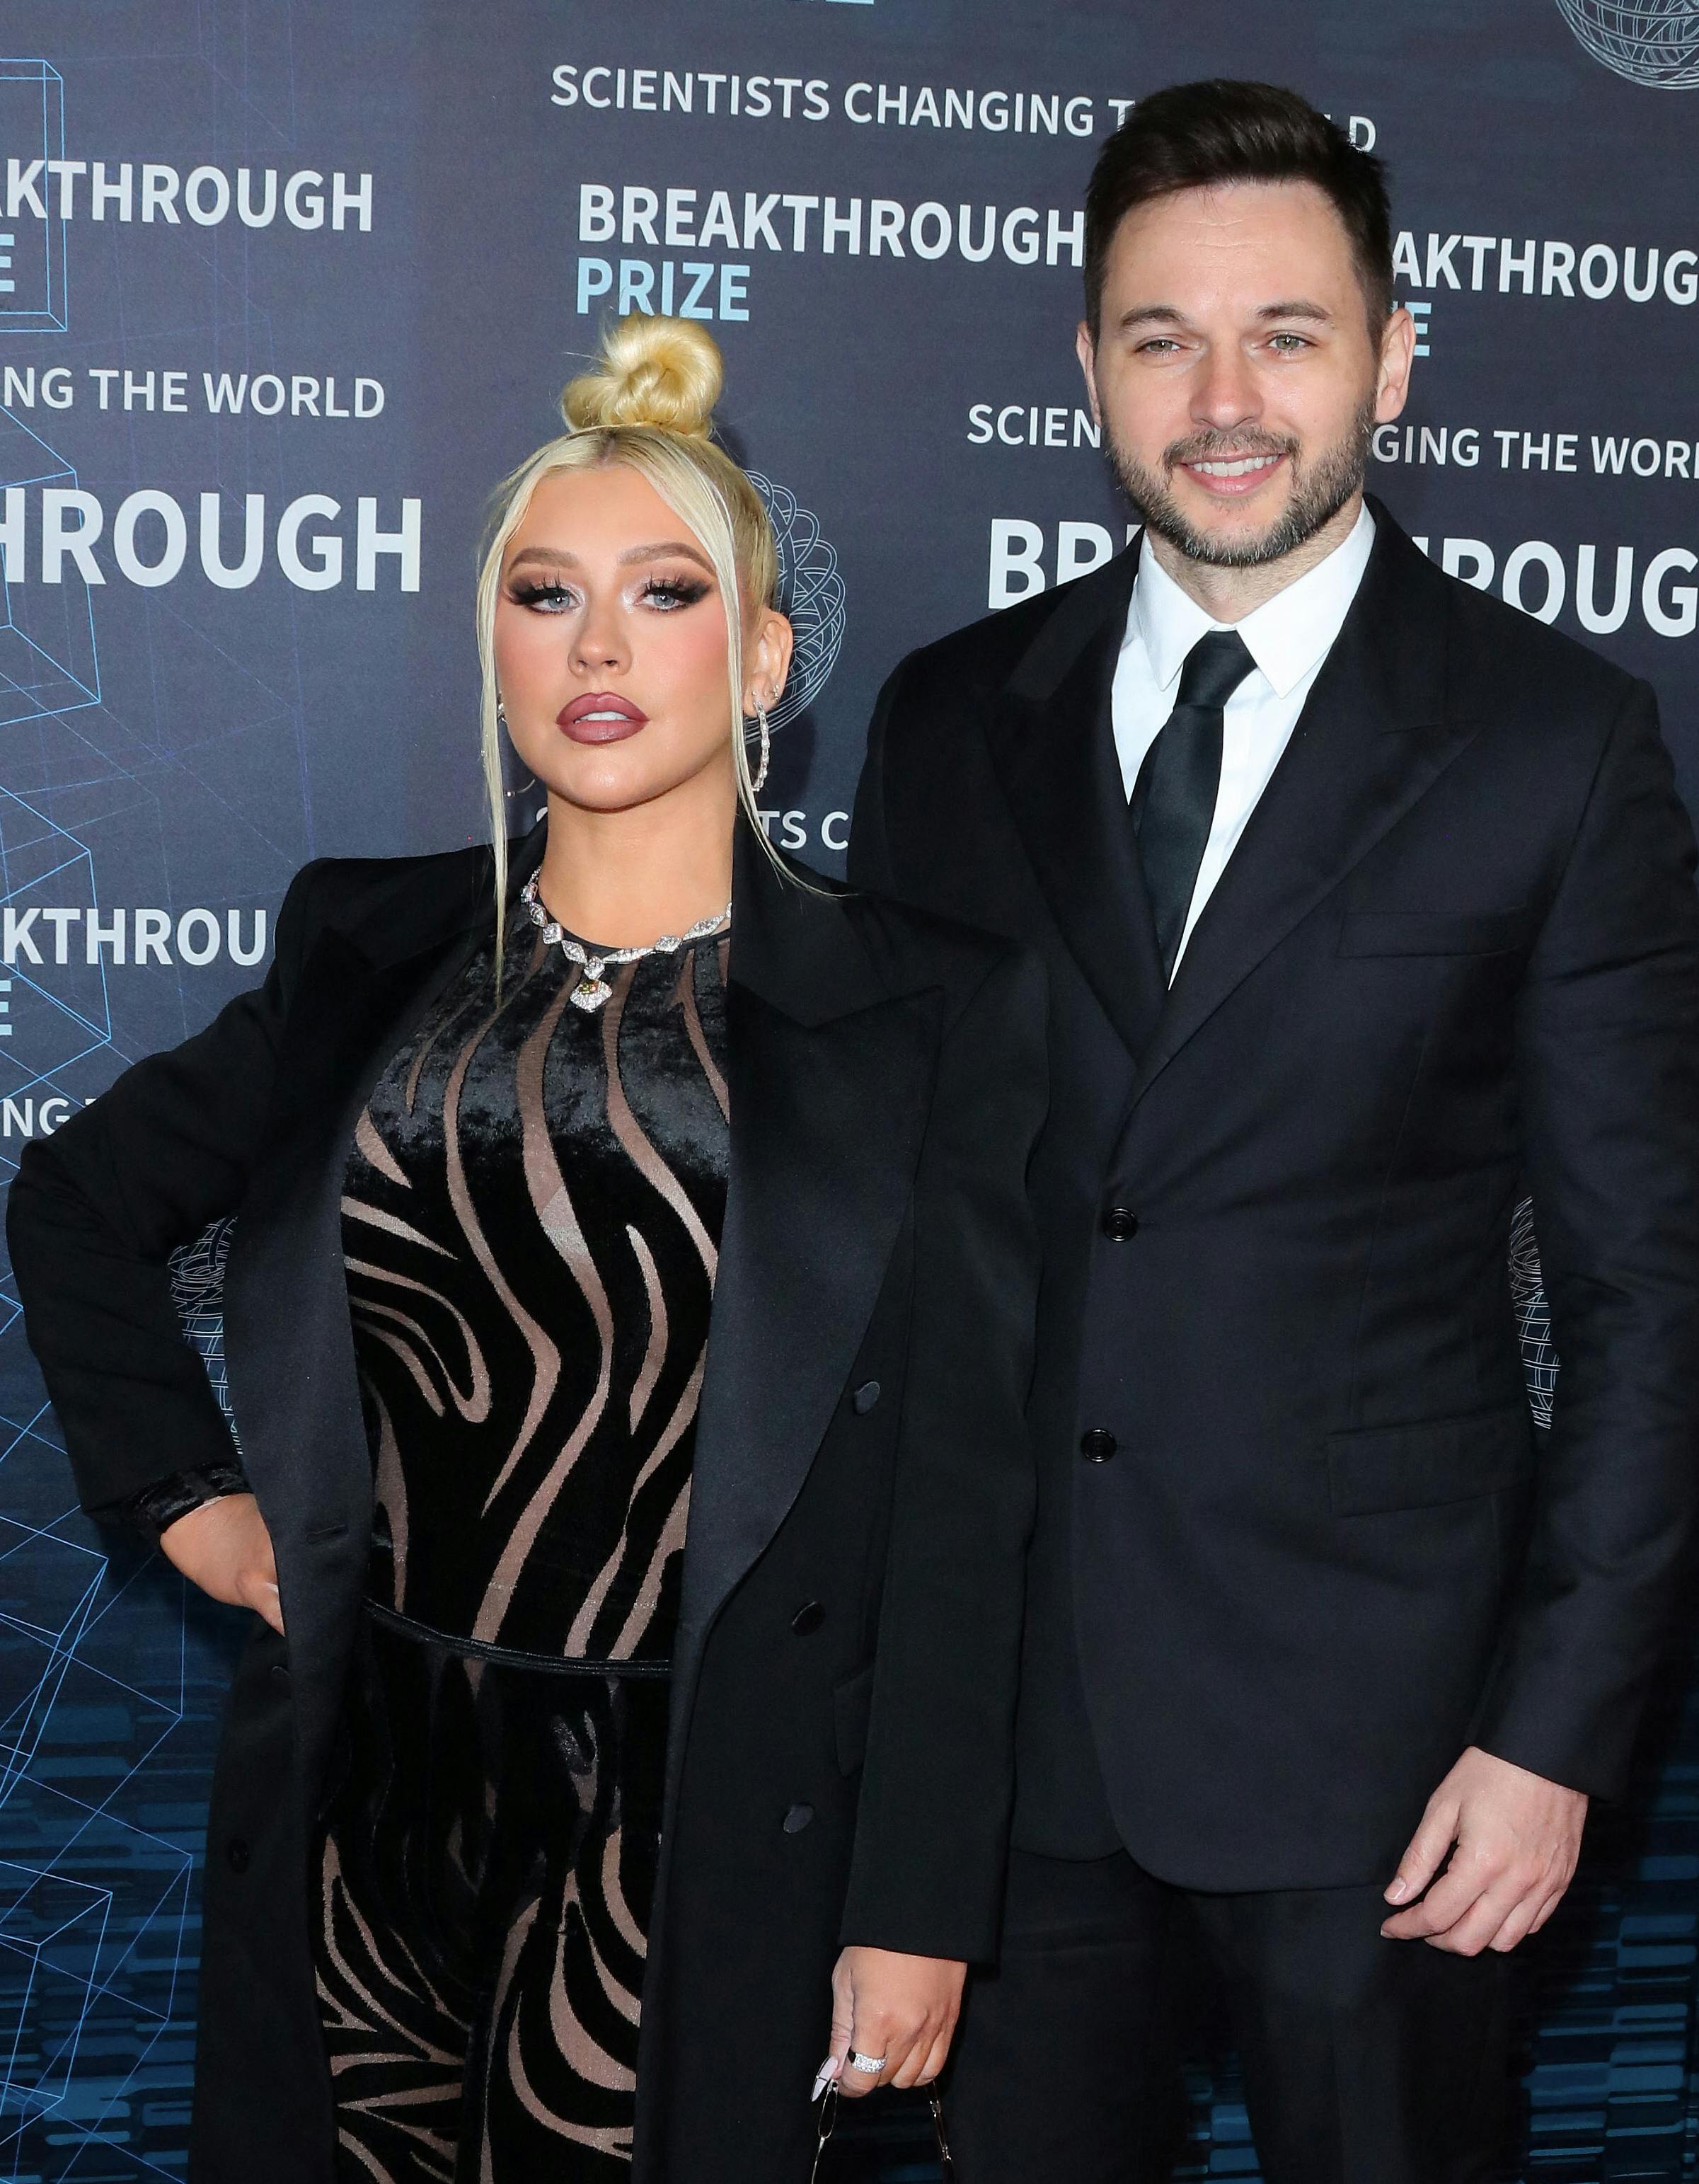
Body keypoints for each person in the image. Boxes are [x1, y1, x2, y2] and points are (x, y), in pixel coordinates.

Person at [8, 314, 1046, 2184]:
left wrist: (917, 1907)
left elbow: (967, 1501)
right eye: (542, 592)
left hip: (704, 1827)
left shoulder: (918, 1012)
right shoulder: (366, 949)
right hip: (370, 1800)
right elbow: (73, 1205)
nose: (591, 645)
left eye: (660, 594)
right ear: (489, 643)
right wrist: (185, 1498)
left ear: (760, 657)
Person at [851, 78, 1699, 2184]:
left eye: (1287, 336)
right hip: (1015, 1758)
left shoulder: (1551, 745)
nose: (1222, 398)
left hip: (1395, 1777)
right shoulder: (953, 722)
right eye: (1160, 338)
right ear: (1085, 368)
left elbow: (1646, 1293)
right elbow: (891, 1254)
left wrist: (1546, 1738)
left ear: (1393, 357)